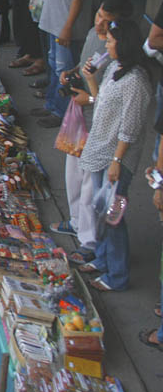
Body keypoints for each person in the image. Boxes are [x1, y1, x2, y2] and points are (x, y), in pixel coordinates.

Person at [49, 0, 132, 254]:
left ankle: (89, 241)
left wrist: (92, 97)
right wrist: (72, 73)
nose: (99, 25)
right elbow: (85, 66)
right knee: (73, 175)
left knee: (89, 186)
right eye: (98, 16)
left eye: (107, 23)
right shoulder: (92, 36)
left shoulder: (123, 62)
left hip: (99, 129)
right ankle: (75, 222)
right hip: (78, 118)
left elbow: (113, 103)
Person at [74, 20, 154, 292]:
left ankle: (117, 276)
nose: (106, 45)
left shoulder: (136, 81)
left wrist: (117, 162)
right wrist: (91, 79)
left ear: (124, 44)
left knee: (113, 216)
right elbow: (100, 103)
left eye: (110, 41)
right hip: (101, 151)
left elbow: (129, 129)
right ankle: (104, 259)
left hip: (117, 161)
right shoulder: (115, 69)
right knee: (102, 211)